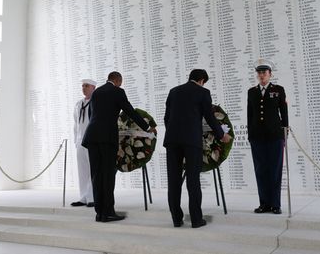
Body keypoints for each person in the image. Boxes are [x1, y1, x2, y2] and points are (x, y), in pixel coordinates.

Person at [82, 71, 157, 222]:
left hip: (91, 137)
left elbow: (91, 115)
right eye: (120, 82)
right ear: (118, 81)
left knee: (96, 175)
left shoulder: (96, 93)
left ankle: (99, 213)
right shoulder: (118, 91)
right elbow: (130, 111)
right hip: (107, 138)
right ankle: (108, 212)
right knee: (108, 175)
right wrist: (147, 127)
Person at [163, 69, 232, 228]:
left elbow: (167, 118)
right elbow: (209, 116)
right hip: (192, 141)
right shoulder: (203, 92)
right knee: (193, 180)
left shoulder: (173, 91)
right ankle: (196, 219)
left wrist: (175, 133)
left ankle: (176, 219)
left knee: (173, 180)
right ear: (201, 80)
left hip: (172, 141)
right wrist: (222, 135)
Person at [247, 59, 288, 215]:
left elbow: (283, 112)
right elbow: (249, 114)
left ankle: (275, 204)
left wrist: (285, 131)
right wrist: (250, 134)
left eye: (264, 72)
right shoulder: (251, 92)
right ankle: (264, 203)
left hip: (275, 136)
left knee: (275, 170)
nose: (261, 75)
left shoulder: (278, 90)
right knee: (260, 170)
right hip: (257, 136)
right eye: (259, 72)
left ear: (270, 74)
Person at [71, 79, 97, 208]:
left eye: (86, 86)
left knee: (93, 169)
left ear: (93, 87)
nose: (84, 88)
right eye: (82, 86)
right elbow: (76, 125)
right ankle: (83, 197)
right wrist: (76, 141)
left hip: (92, 141)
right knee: (82, 170)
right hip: (80, 142)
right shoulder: (78, 104)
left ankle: (93, 197)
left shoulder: (97, 102)